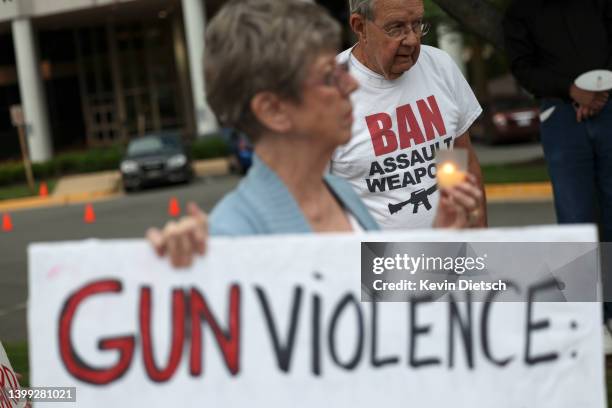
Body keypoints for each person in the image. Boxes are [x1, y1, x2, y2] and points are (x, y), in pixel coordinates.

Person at [147, 0, 483, 267]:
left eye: (416, 25)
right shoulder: (232, 233)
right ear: (273, 110)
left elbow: (366, 295)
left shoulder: (340, 195)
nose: (351, 83)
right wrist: (187, 270)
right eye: (328, 76)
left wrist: (454, 246)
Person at [330, 0, 487, 231]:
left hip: (451, 251)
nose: (412, 39)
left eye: (417, 24)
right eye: (396, 28)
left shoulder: (440, 67)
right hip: (376, 260)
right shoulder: (325, 91)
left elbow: (460, 161)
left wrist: (477, 236)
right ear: (360, 26)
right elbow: (311, 200)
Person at [503, 0, 612, 240]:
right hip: (560, 114)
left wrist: (598, 92)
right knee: (575, 216)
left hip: (608, 105)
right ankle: (583, 277)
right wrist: (571, 90)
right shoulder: (520, 10)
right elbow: (522, 67)